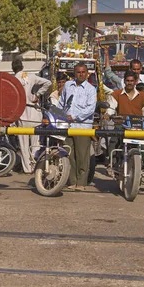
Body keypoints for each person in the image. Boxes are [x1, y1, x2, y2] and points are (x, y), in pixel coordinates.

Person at [107, 71, 144, 195]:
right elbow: (111, 108)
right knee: (113, 143)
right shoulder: (116, 94)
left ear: (135, 82)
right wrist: (109, 114)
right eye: (127, 81)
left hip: (139, 128)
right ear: (124, 81)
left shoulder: (143, 97)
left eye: (131, 81)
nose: (129, 83)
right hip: (122, 126)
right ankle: (113, 166)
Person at [58, 63, 97, 191]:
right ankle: (72, 181)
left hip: (82, 126)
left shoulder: (91, 89)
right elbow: (61, 103)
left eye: (83, 72)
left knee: (82, 156)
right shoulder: (68, 86)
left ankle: (81, 182)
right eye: (78, 72)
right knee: (69, 154)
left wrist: (74, 116)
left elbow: (90, 109)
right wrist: (59, 115)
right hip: (68, 126)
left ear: (87, 73)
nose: (81, 74)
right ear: (74, 73)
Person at [13, 59, 52, 173]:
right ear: (22, 66)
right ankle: (36, 166)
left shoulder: (13, 80)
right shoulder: (31, 76)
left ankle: (27, 168)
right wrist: (37, 95)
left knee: (24, 145)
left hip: (22, 115)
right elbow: (48, 83)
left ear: (13, 69)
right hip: (35, 115)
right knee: (35, 143)